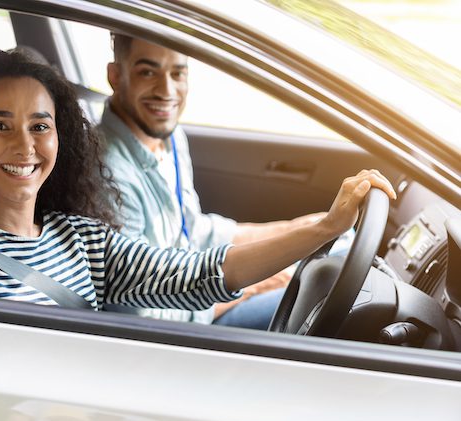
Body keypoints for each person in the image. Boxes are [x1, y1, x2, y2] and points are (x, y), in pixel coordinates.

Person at [0, 49, 395, 313]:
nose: (24, 146)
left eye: (41, 126)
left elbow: (202, 272)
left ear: (61, 137)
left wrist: (325, 227)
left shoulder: (84, 241)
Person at [99, 34, 349, 328]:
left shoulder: (168, 136)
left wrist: (296, 230)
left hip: (199, 287)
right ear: (115, 76)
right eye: (148, 72)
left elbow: (193, 230)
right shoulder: (108, 176)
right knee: (329, 293)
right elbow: (140, 316)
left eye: (178, 73)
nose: (167, 90)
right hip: (182, 330)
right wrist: (255, 286)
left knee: (343, 244)